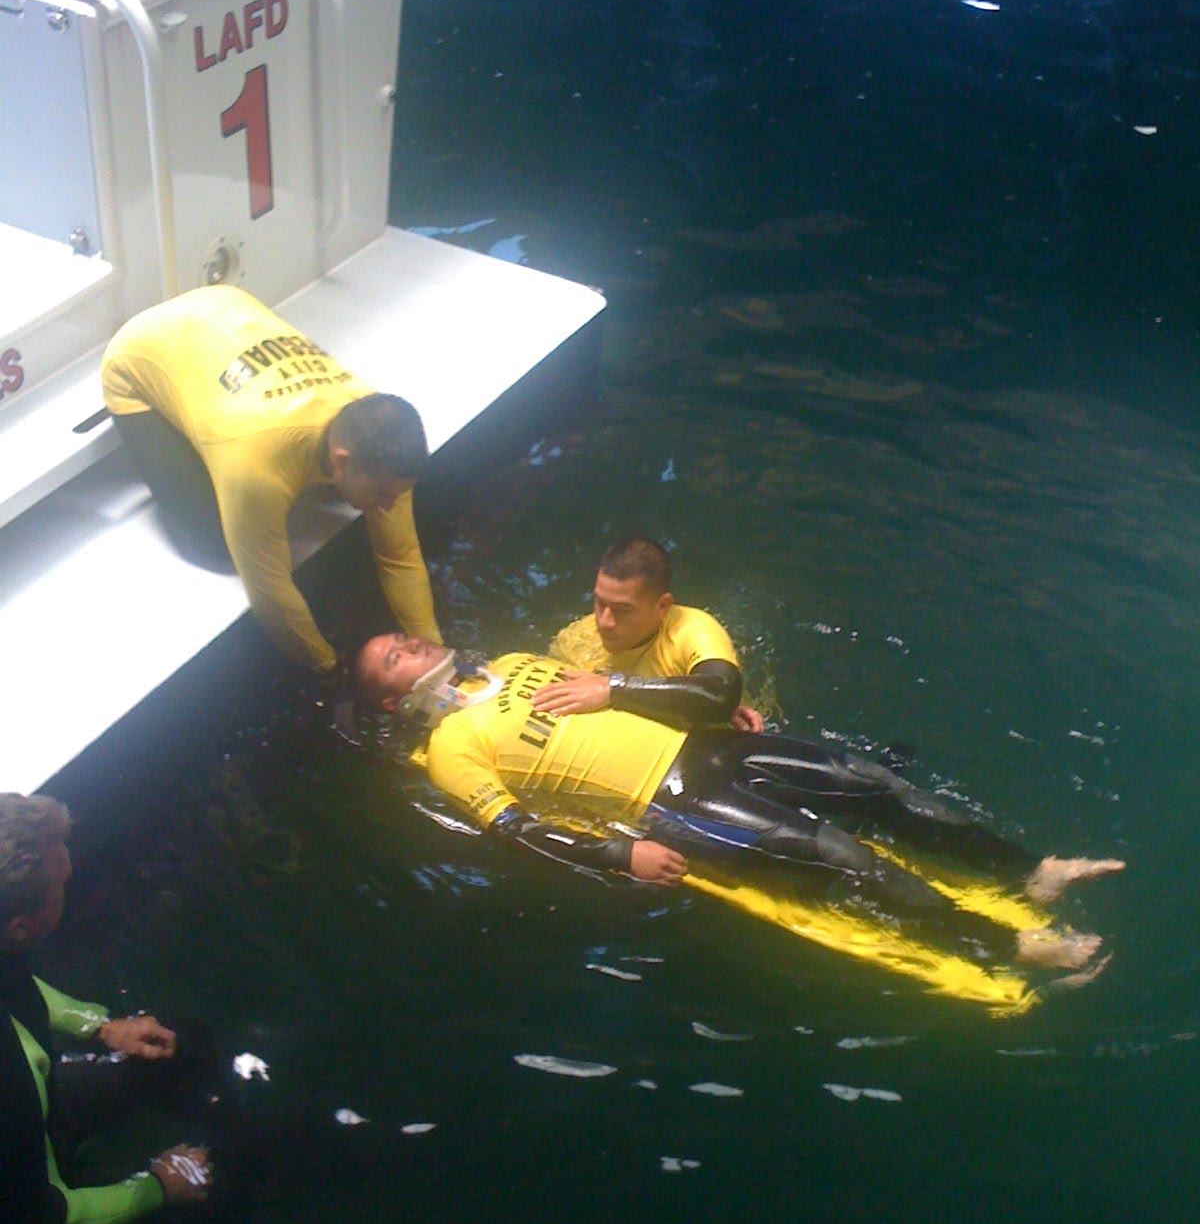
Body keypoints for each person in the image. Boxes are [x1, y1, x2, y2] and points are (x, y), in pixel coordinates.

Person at [354, 638, 1124, 974]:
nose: (408, 642)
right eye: (393, 656)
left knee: (876, 786)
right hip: (672, 802)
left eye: (398, 637)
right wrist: (623, 853)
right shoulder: (454, 748)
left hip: (707, 748)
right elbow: (521, 833)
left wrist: (712, 710)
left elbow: (625, 696)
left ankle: (1033, 872)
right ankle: (1004, 945)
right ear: (396, 699)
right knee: (849, 859)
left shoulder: (519, 660)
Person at [0, 793, 299, 1224]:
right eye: (62, 884)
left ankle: (234, 1145)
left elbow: (14, 977)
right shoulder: (9, 1081)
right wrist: (156, 1187)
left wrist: (97, 1025)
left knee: (181, 1046)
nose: (71, 881)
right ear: (21, 926)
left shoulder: (9, 946)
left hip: (40, 1102)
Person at [102, 284, 441, 674]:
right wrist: (327, 668)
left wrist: (435, 653)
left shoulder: (375, 426)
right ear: (341, 459)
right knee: (217, 545)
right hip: (142, 349)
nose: (387, 505)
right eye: (382, 493)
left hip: (225, 303)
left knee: (346, 498)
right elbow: (270, 592)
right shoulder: (253, 464)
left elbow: (399, 556)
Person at [544, 537, 765, 732]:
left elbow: (720, 694)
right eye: (600, 603)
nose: (604, 622)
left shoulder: (693, 629)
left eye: (623, 610)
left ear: (662, 606)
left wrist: (611, 689)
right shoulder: (577, 638)